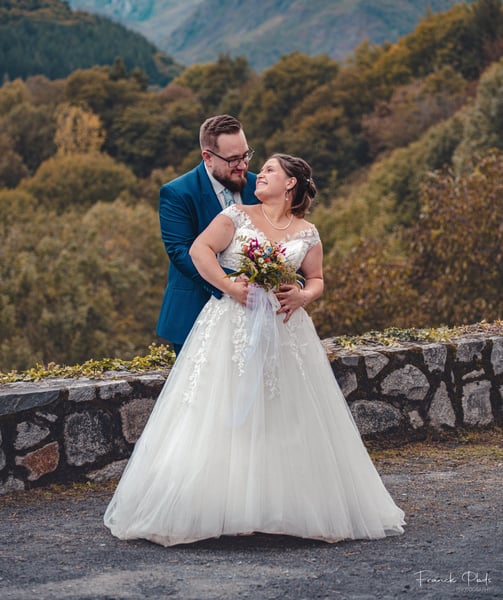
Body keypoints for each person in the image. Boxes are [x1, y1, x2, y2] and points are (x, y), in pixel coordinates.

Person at [104, 154, 405, 547]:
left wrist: (301, 295)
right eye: (260, 170)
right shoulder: (235, 215)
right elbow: (199, 252)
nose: (258, 175)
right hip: (231, 326)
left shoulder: (308, 232)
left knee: (286, 415)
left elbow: (316, 279)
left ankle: (280, 508)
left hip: (285, 331)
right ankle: (215, 508)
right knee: (220, 411)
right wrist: (230, 287)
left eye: (269, 171)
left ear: (291, 183)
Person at [156, 114, 259, 355]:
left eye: (246, 155)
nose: (243, 165)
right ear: (208, 157)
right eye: (233, 159)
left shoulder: (259, 186)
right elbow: (179, 252)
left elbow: (283, 238)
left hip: (257, 314)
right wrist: (231, 283)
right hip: (195, 312)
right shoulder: (177, 193)